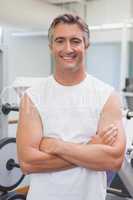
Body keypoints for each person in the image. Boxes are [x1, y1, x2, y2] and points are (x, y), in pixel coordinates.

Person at [16, 13, 126, 200]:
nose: (68, 48)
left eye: (75, 41)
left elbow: (114, 160)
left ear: (86, 45)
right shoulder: (32, 97)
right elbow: (27, 163)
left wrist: (56, 145)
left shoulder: (107, 95)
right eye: (60, 41)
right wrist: (91, 148)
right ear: (51, 46)